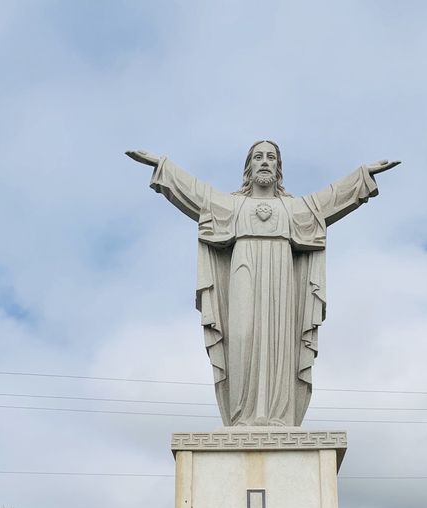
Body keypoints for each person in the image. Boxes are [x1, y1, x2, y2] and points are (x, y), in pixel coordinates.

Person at [127, 141, 399, 426]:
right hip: (243, 270)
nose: (265, 161)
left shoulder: (293, 208)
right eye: (258, 157)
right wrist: (163, 166)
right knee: (242, 337)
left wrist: (362, 176)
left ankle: (278, 416)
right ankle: (242, 416)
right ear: (249, 166)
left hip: (281, 276)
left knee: (279, 341)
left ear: (278, 168)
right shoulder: (232, 206)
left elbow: (328, 200)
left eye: (271, 157)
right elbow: (197, 193)